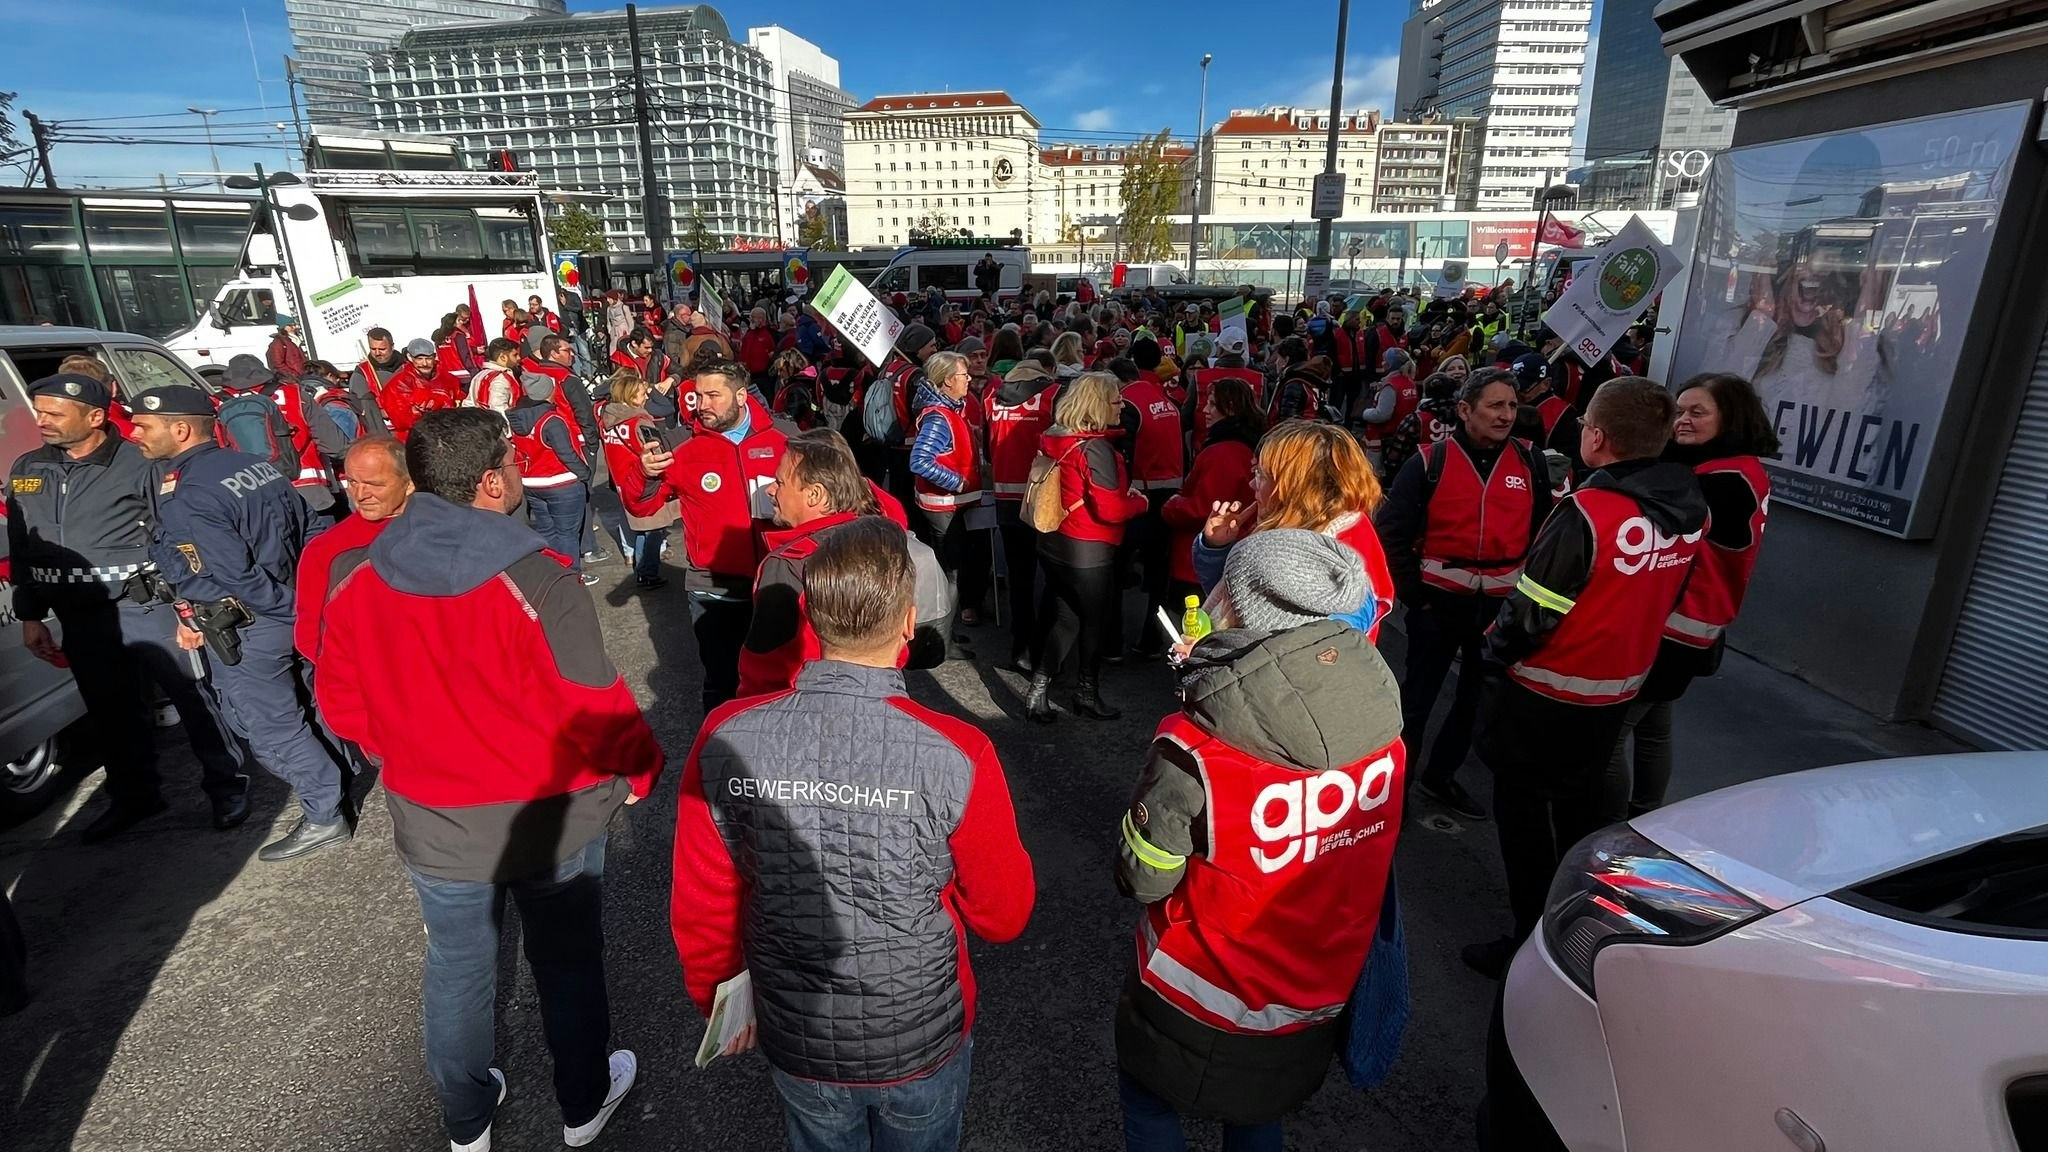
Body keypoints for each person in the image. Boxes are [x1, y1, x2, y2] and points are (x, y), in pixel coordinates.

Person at [316, 407, 660, 1152]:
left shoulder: (355, 573)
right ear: (491, 481)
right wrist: (640, 767)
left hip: (433, 812)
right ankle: (582, 1102)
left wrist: (404, 754)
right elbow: (596, 702)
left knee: (458, 968)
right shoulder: (540, 576)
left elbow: (339, 703)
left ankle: (467, 1119)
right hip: (551, 812)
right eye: (512, 460)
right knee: (566, 960)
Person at [672, 515, 1035, 1152]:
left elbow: (703, 897)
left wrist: (718, 996)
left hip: (798, 1031)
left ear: (809, 617)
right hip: (919, 1030)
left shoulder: (726, 734)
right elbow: (1003, 915)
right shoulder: (959, 751)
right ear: (908, 623)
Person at [1115, 530, 1404, 1152]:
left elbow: (1144, 877)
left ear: (1246, 607)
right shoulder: (1385, 722)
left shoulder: (1194, 743)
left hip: (1197, 990)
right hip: (1315, 990)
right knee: (1257, 1115)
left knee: (1149, 1103)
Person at [1463, 377, 1708, 978]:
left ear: (1596, 438)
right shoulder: (1690, 509)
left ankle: (1531, 943)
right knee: (1581, 825)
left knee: (1524, 826)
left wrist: (1489, 655)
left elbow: (1531, 613)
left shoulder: (1587, 513)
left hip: (1544, 695)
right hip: (1616, 694)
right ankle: (1580, 927)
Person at [7, 373, 249, 842]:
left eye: (54, 413)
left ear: (95, 417)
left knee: (193, 700)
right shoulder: (29, 467)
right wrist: (30, 614)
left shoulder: (140, 462)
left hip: (147, 608)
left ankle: (227, 786)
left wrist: (187, 607)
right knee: (111, 712)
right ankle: (135, 797)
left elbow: (176, 534)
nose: (42, 421)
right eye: (39, 412)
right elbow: (22, 547)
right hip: (80, 616)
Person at [129, 384, 350, 862]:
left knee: (268, 727)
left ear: (180, 429)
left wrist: (283, 607)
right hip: (289, 610)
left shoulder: (189, 492)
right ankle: (340, 787)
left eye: (144, 425)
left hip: (251, 623)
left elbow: (232, 574)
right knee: (310, 704)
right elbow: (313, 530)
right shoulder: (253, 465)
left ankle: (325, 813)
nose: (134, 433)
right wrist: (304, 603)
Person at [1375, 369, 1551, 822]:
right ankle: (1396, 792)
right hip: (1438, 604)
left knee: (1475, 700)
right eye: (1495, 405)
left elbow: (1543, 533)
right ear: (1465, 410)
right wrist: (1416, 595)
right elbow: (1391, 533)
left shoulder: (1530, 461)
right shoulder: (1428, 461)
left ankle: (1441, 776)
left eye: (1511, 405)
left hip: (1498, 609)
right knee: (1417, 702)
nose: (1506, 415)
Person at [1607, 373, 1777, 817]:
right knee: (1654, 727)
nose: (1682, 420)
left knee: (1608, 743)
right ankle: (1645, 813)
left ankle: (1609, 829)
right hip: (1694, 628)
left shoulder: (1718, 480)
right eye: (1678, 411)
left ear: (1730, 418)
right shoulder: (1739, 469)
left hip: (1671, 630)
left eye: (1697, 412)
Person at [636, 359, 792, 713]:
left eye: (713, 396)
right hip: (713, 591)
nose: (701, 404)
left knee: (780, 681)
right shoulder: (681, 447)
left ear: (741, 396)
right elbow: (643, 506)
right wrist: (644, 473)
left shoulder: (785, 438)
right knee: (723, 684)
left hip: (777, 585)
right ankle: (718, 745)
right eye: (698, 395)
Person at [737, 429, 913, 695]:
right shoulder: (878, 542)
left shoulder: (787, 566)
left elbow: (765, 670)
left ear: (814, 495)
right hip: (880, 691)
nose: (770, 490)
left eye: (780, 482)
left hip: (805, 701)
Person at [1192, 421, 1396, 643]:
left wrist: (1216, 654)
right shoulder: (1298, 527)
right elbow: (1241, 597)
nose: (1252, 484)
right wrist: (1216, 547)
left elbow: (1307, 654)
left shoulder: (1342, 564)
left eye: (1261, 475)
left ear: (1294, 487)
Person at [1024, 372, 1149, 723]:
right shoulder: (1095, 448)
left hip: (1053, 541)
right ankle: (1086, 692)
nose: (1122, 405)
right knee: (1093, 623)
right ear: (1097, 405)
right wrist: (1139, 503)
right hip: (1088, 549)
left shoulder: (1055, 437)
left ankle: (1038, 690)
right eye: (1116, 400)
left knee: (1065, 619)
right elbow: (1110, 510)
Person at [294, 437, 411, 666]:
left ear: (409, 484)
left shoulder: (441, 531)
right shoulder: (326, 550)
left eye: (374, 484)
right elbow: (312, 637)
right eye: (353, 483)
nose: (360, 495)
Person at [907, 350, 986, 655]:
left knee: (952, 571)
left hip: (948, 504)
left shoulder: (947, 411)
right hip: (942, 505)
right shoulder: (939, 417)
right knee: (951, 574)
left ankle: (947, 634)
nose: (969, 379)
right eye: (964, 375)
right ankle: (943, 641)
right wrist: (957, 482)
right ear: (948, 380)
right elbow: (920, 461)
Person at [1161, 377, 1263, 608]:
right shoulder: (1249, 444)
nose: (1205, 410)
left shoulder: (1221, 453)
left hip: (1198, 560)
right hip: (1235, 548)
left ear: (1230, 408)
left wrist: (1172, 504)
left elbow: (1206, 507)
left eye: (1213, 404)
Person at [983, 359, 1058, 672]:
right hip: (1041, 497)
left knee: (1020, 578)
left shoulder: (992, 398)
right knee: (1051, 576)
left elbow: (987, 449)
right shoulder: (1051, 396)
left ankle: (1020, 646)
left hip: (1005, 496)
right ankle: (1045, 647)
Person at [1120, 342, 1186, 658]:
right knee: (1158, 574)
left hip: (1138, 494)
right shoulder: (1167, 400)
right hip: (1169, 494)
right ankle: (1152, 638)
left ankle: (1110, 642)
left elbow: (1123, 450)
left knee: (1116, 570)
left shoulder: (1129, 399)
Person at [212, 354, 340, 515]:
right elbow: (334, 445)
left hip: (252, 497)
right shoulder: (294, 393)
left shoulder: (215, 404)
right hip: (307, 490)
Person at [509, 369, 595, 583]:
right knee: (567, 534)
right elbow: (567, 454)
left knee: (547, 531)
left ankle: (553, 575)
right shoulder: (552, 420)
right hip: (561, 483)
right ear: (548, 392)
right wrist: (584, 474)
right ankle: (571, 577)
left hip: (532, 483)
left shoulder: (517, 418)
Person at [598, 368, 680, 590]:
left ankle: (641, 568)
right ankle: (647, 572)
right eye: (643, 394)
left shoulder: (607, 420)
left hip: (622, 481)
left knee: (642, 528)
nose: (646, 398)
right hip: (644, 482)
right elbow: (657, 454)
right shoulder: (640, 422)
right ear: (632, 396)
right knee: (653, 529)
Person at [1510, 352, 1583, 487]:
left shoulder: (1564, 415)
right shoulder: (1507, 402)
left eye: (1523, 389)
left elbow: (1566, 462)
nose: (1516, 393)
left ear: (1545, 384)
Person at [383, 338, 464, 441]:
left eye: (428, 358)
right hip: (414, 439)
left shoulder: (449, 379)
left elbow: (460, 405)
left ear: (434, 357)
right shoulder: (398, 384)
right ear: (410, 358)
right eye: (419, 359)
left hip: (447, 436)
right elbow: (401, 421)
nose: (424, 363)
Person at [1359, 349, 1420, 468]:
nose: (1382, 363)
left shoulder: (1391, 385)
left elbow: (1382, 415)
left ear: (1390, 364)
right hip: (1401, 436)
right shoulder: (1409, 382)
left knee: (1375, 471)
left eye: (1384, 360)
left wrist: (1365, 413)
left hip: (1383, 437)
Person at [348, 327, 405, 437]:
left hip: (410, 429)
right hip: (381, 433)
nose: (377, 353)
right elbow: (360, 407)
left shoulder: (406, 366)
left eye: (382, 349)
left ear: (392, 346)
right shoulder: (362, 372)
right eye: (373, 349)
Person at [1265, 338, 1321, 423]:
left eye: (1278, 358)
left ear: (1286, 360)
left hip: (1295, 430)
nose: (1276, 363)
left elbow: (1287, 421)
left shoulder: (1293, 385)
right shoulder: (1306, 378)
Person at [469, 337, 523, 413]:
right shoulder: (501, 378)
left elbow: (469, 403)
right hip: (497, 419)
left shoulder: (479, 375)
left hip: (477, 418)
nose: (519, 358)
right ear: (503, 357)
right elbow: (499, 408)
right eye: (515, 355)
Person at [738, 306, 778, 395]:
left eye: (753, 317)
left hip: (763, 375)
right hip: (748, 374)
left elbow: (772, 353)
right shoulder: (749, 334)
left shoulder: (769, 333)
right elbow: (743, 350)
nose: (751, 320)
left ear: (762, 319)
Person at [266, 313, 307, 378]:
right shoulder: (278, 343)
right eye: (291, 325)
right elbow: (278, 364)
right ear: (284, 327)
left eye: (294, 325)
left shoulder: (293, 340)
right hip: (293, 378)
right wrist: (293, 375)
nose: (294, 327)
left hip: (301, 376)